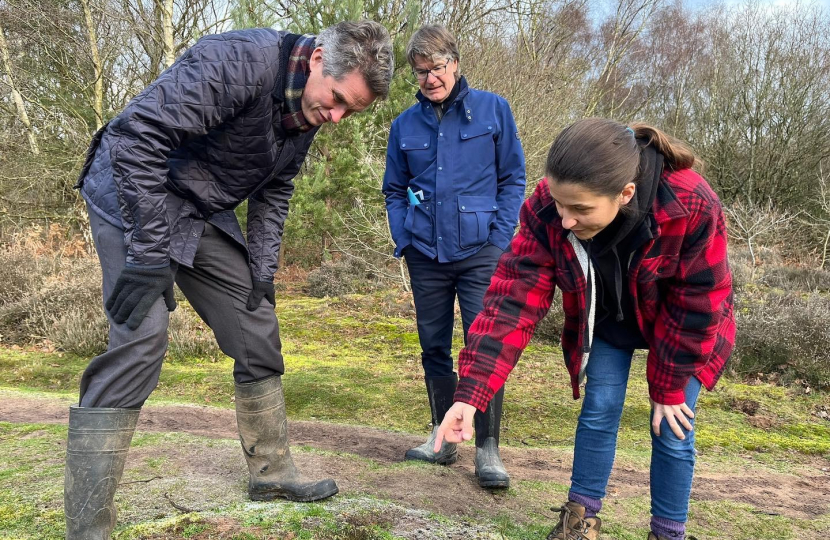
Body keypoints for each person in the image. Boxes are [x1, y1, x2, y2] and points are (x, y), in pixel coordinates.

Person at [67, 21, 393, 540]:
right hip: (132, 190)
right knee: (141, 340)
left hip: (199, 208)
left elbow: (275, 190)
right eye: (336, 100)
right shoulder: (239, 61)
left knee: (254, 318)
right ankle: (87, 528)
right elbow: (137, 137)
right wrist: (151, 255)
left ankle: (272, 473)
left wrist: (262, 272)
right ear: (315, 61)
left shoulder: (305, 110)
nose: (335, 117)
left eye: (350, 111)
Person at [435, 118, 734, 540]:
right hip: (609, 321)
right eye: (560, 205)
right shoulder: (549, 204)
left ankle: (668, 532)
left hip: (683, 327)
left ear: (625, 194)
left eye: (580, 210)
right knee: (598, 411)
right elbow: (512, 301)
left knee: (671, 425)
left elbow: (701, 298)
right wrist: (471, 394)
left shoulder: (690, 201)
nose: (566, 220)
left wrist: (667, 387)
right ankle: (580, 521)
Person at [382, 25, 525, 488]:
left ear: (455, 63)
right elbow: (393, 191)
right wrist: (404, 239)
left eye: (437, 67)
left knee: (484, 347)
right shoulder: (404, 125)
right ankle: (441, 440)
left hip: (481, 251)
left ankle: (487, 449)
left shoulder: (494, 110)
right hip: (425, 253)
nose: (429, 78)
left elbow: (513, 181)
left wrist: (500, 239)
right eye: (420, 72)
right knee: (434, 348)